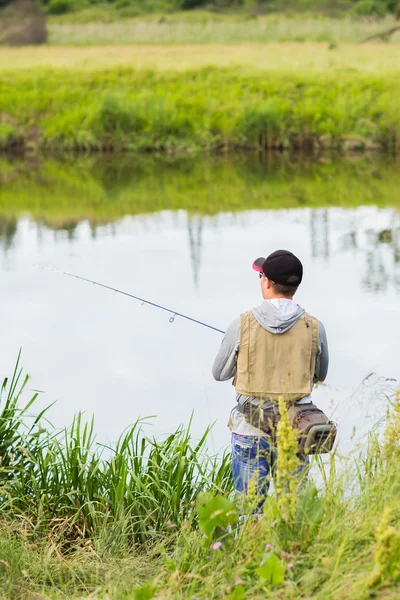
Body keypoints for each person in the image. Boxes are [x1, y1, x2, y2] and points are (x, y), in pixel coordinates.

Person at [212, 249, 329, 507]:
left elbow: (219, 373)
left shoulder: (241, 323)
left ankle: (253, 546)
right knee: (294, 509)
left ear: (266, 282)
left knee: (250, 511)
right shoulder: (315, 326)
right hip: (295, 430)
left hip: (250, 428)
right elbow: (321, 375)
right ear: (295, 286)